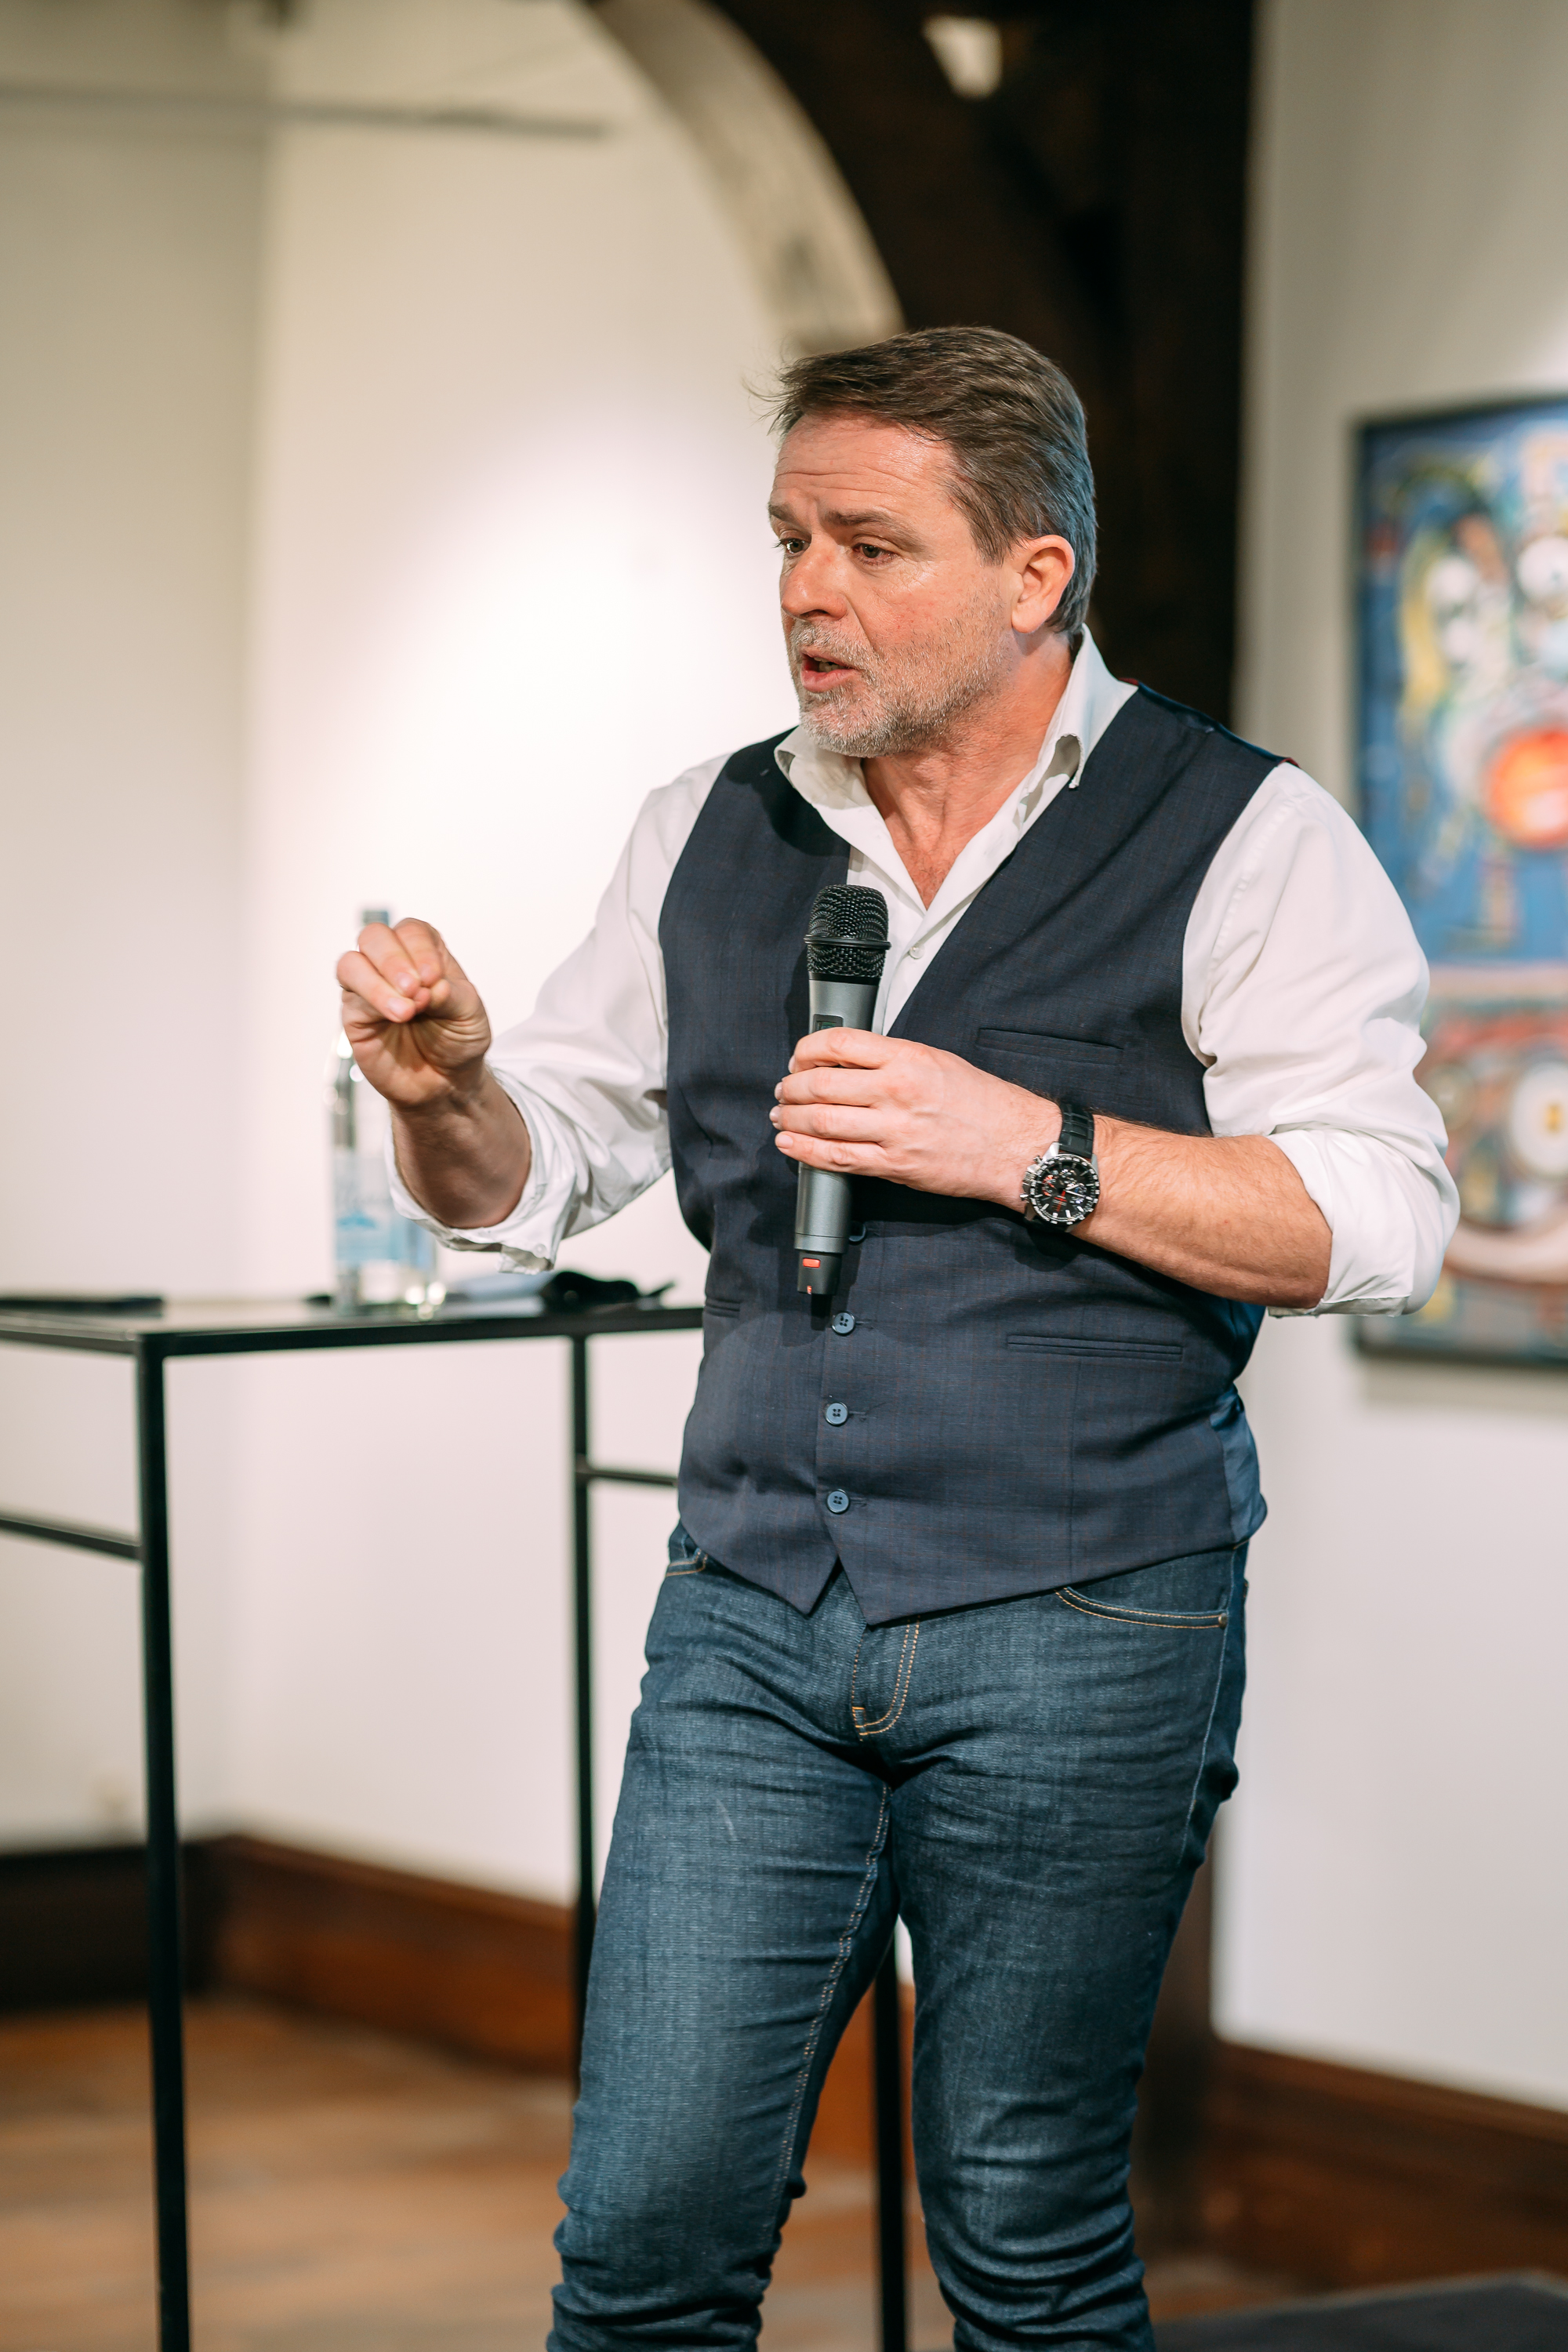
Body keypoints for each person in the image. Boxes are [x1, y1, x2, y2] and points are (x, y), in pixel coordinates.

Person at [336, 327, 1457, 2352]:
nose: (808, 592)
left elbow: (1377, 1213)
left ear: (1037, 577)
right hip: (751, 1615)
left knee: (1025, 2238)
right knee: (643, 2236)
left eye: (871, 545)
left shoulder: (1246, 834)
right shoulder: (708, 828)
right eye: (788, 541)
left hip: (1084, 1615)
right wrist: (446, 1097)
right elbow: (536, 1173)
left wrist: (1027, 1143)